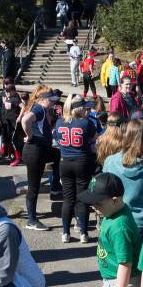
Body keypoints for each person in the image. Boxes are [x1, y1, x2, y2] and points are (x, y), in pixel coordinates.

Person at [103, 119, 143, 237]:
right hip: (141, 220)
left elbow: (104, 189)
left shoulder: (110, 161)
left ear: (125, 135)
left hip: (114, 218)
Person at [54, 97, 99, 243]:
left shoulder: (60, 121)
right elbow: (96, 141)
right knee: (82, 199)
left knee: (68, 199)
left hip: (65, 161)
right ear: (79, 109)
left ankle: (65, 233)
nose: (87, 110)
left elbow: (56, 140)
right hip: (82, 162)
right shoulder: (86, 123)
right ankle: (83, 233)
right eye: (85, 108)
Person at [18, 86, 62, 232]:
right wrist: (30, 136)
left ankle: (55, 187)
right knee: (33, 187)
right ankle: (31, 220)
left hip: (41, 150)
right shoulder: (39, 109)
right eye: (51, 100)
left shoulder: (40, 108)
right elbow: (25, 120)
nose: (54, 103)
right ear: (43, 99)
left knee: (57, 155)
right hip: (34, 152)